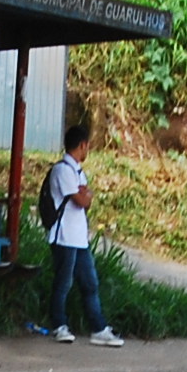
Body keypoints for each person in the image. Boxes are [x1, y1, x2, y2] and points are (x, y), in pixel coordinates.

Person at [39, 123, 123, 347]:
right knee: (63, 283)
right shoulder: (63, 171)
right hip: (63, 237)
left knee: (90, 283)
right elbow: (82, 200)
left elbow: (85, 202)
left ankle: (98, 328)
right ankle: (59, 325)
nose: (88, 151)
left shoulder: (78, 172)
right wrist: (85, 194)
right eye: (87, 146)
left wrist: (85, 195)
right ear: (82, 145)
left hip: (79, 239)